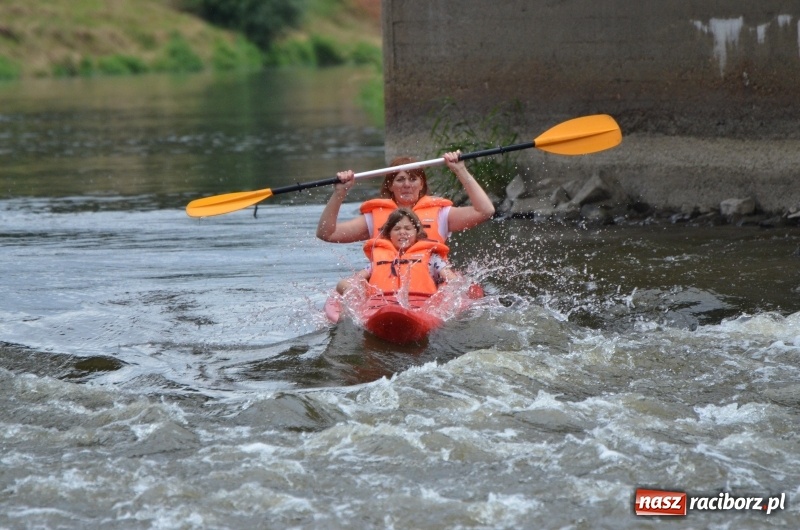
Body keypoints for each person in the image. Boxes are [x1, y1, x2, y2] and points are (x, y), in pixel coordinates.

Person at [316, 151, 495, 245]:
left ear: (422, 185)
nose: (407, 184)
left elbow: (485, 211)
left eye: (412, 179)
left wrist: (460, 170)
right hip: (386, 287)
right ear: (390, 186)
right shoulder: (373, 218)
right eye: (400, 179)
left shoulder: (442, 215)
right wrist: (340, 193)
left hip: (429, 284)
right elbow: (327, 234)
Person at [336, 208, 456, 295]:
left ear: (417, 233)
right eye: (397, 229)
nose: (402, 232)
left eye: (408, 228)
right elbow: (353, 281)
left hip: (423, 305)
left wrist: (445, 294)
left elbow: (453, 280)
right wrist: (348, 289)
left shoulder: (432, 258)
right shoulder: (376, 263)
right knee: (341, 284)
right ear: (389, 235)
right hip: (381, 306)